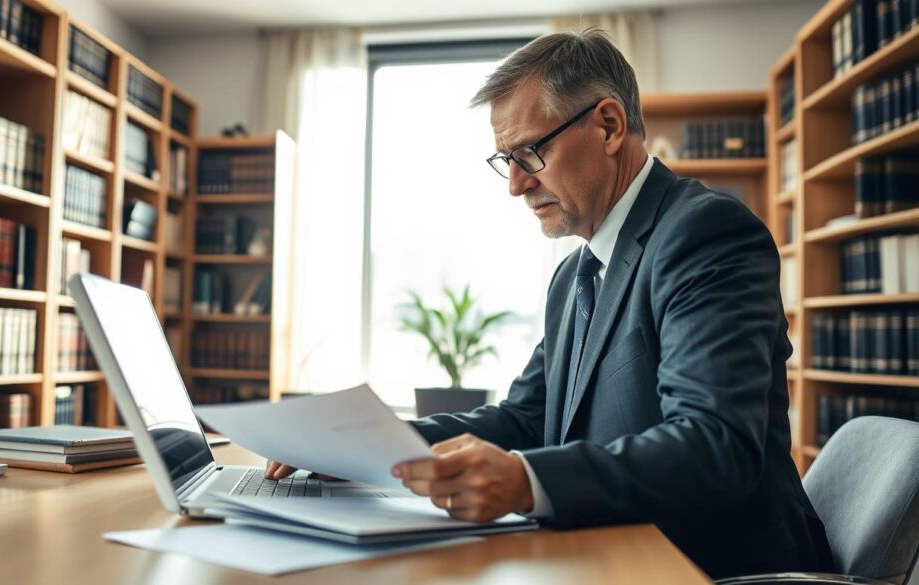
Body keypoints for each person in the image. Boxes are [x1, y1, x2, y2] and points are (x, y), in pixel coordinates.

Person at [267, 29, 833, 579]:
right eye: (504, 160)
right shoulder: (574, 274)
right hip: (610, 550)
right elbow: (529, 417)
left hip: (712, 566)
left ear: (608, 125)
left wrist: (523, 479)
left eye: (529, 153)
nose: (514, 185)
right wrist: (368, 445)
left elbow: (713, 445)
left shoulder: (704, 233)